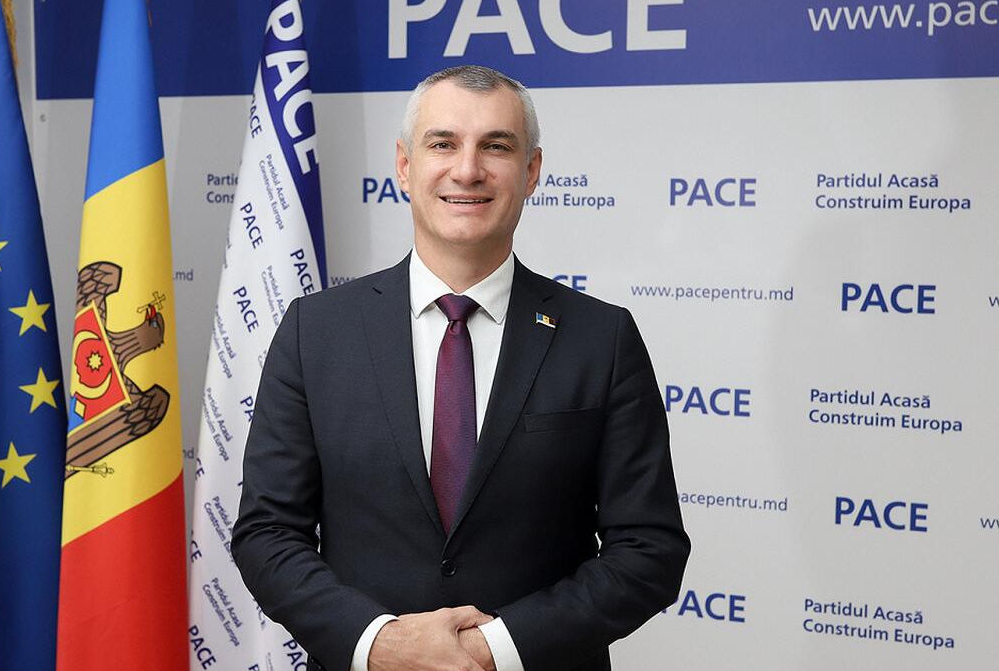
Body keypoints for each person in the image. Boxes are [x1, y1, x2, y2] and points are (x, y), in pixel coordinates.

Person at [232, 65, 689, 671]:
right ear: (404, 165)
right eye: (442, 143)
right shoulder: (314, 332)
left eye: (496, 146)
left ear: (531, 171)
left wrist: (489, 650)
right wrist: (382, 644)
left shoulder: (601, 339)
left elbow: (650, 550)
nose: (467, 170)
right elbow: (267, 533)